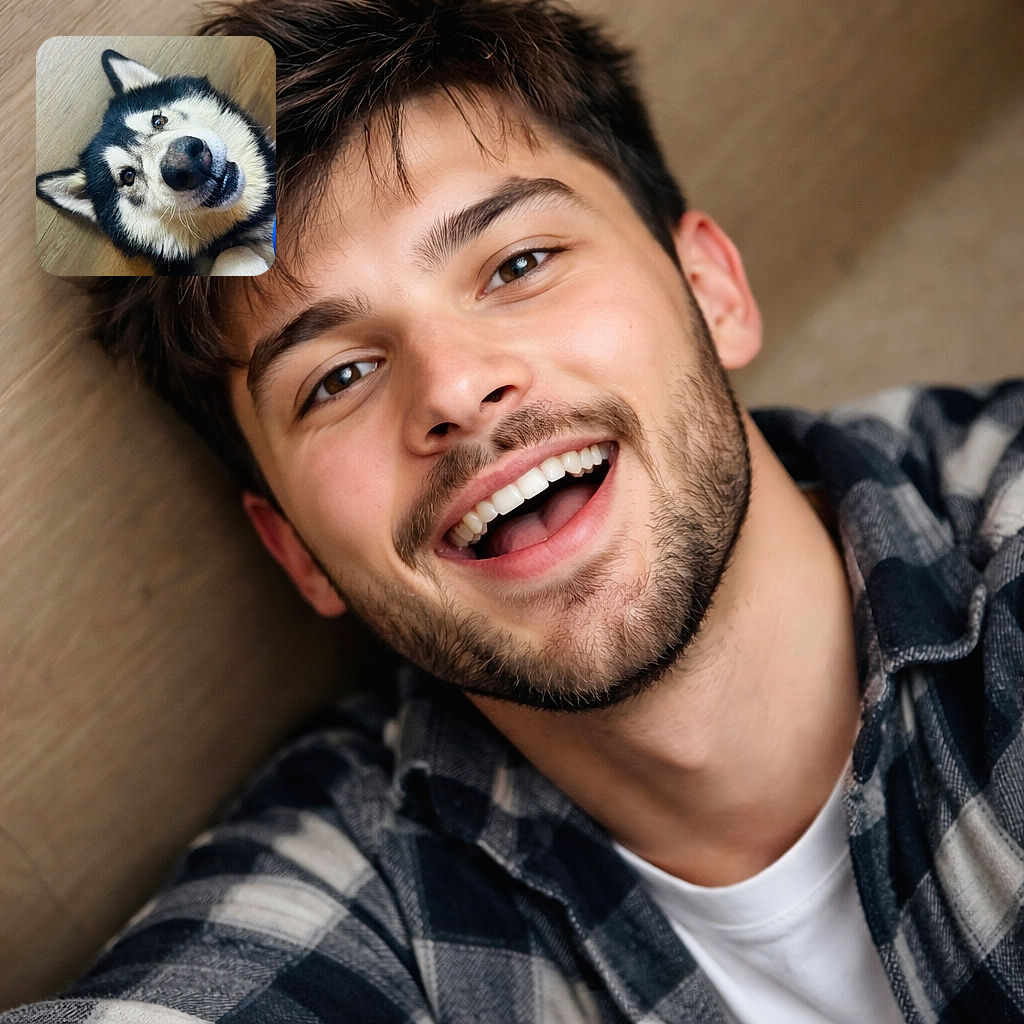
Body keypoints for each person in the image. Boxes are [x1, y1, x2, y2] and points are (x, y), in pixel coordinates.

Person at [6, 0, 1023, 1020]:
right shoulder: (355, 885)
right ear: (296, 551)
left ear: (712, 287)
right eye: (337, 376)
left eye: (518, 264)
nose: (449, 388)